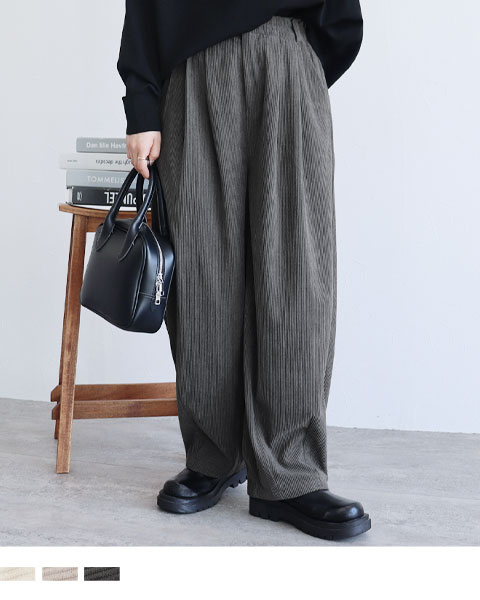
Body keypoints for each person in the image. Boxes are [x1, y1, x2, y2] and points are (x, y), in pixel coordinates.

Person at [117, 0, 370, 541]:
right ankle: (213, 455)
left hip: (287, 56)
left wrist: (296, 64)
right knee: (202, 273)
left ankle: (291, 471)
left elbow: (340, 21)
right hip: (191, 73)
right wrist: (141, 103)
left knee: (297, 270)